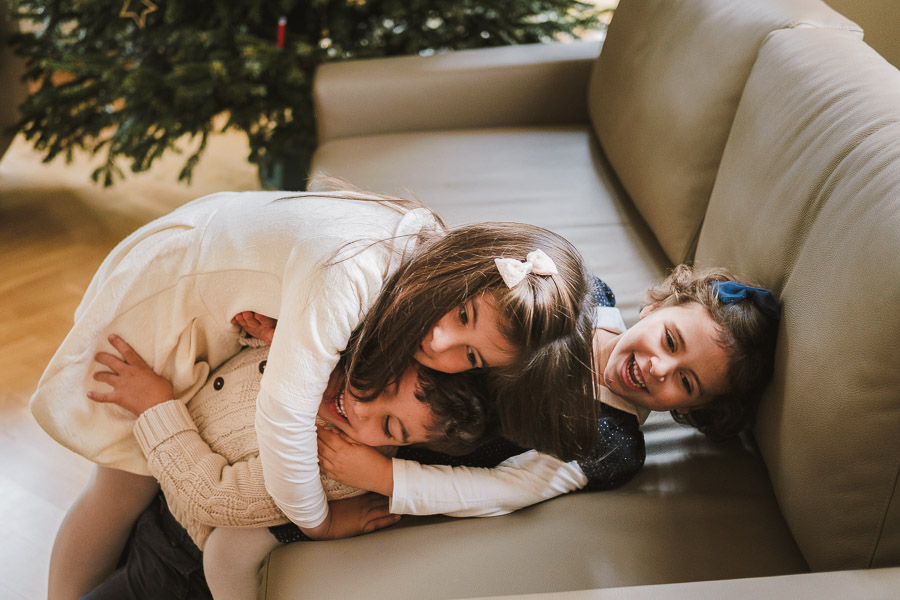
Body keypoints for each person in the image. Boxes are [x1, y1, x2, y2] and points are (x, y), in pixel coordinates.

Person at [31, 185, 597, 599]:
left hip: (216, 280)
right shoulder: (350, 273)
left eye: (470, 356)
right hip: (175, 291)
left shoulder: (418, 281)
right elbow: (283, 422)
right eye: (463, 312)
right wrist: (320, 522)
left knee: (125, 489)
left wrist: (291, 340)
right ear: (462, 265)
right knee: (119, 486)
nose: (440, 342)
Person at [82, 335, 489, 600]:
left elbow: (215, 497)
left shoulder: (330, 460)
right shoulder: (327, 355)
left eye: (388, 426)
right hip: (163, 486)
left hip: (176, 559)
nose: (362, 407)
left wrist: (155, 406)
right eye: (382, 385)